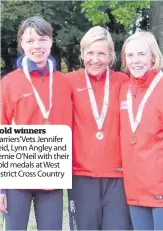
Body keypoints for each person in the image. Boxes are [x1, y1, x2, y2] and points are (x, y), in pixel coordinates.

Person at [0, 16, 72, 230]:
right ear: (21, 43)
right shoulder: (9, 83)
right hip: (17, 178)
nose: (37, 46)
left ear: (51, 41)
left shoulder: (64, 82)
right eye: (30, 41)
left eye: (42, 39)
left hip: (52, 175)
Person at [67, 26, 132, 230]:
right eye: (90, 53)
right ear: (82, 53)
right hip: (80, 174)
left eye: (102, 53)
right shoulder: (68, 82)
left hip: (118, 176)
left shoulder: (123, 81)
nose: (95, 59)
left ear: (111, 55)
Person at [119, 31, 163, 230]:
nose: (135, 61)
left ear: (153, 56)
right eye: (130, 55)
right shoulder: (124, 91)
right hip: (135, 187)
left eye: (141, 54)